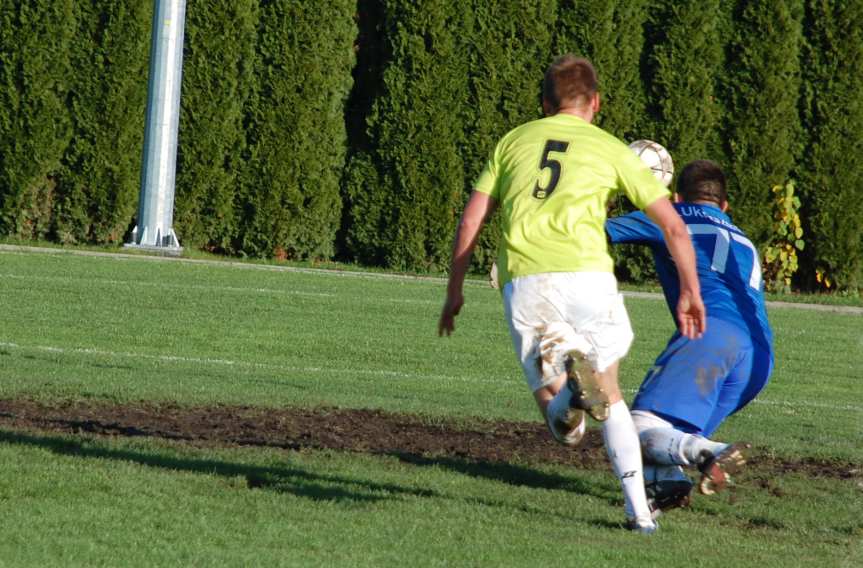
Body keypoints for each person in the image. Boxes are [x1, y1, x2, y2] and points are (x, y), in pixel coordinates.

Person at [437, 55, 706, 534]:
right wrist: (690, 290)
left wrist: (454, 290)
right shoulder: (609, 148)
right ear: (596, 103)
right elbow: (674, 227)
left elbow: (471, 218)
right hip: (590, 279)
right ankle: (639, 513)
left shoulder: (513, 141)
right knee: (612, 397)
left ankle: (569, 402)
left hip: (530, 281)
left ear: (544, 103)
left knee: (565, 429)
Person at [605, 159, 774, 512]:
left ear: (677, 197)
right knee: (668, 435)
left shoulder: (670, 216)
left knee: (633, 428)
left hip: (710, 336)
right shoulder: (743, 237)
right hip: (758, 357)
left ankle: (712, 451)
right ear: (725, 205)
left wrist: (605, 198)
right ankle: (668, 487)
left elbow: (593, 231)